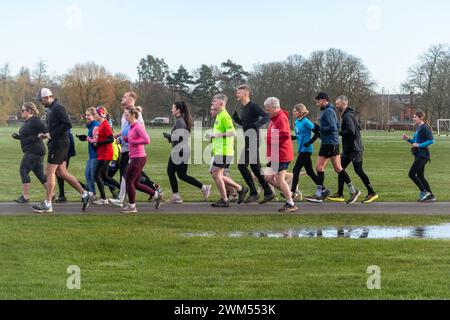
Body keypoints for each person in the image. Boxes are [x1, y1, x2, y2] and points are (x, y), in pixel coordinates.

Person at [32, 88, 90, 213]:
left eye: (41, 99)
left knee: (49, 172)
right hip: (59, 143)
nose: (40, 102)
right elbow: (56, 126)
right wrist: (45, 134)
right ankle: (84, 194)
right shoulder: (52, 109)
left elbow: (67, 124)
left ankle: (48, 204)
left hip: (59, 144)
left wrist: (51, 134)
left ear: (47, 97)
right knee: (61, 173)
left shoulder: (58, 108)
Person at [305, 92, 360, 204]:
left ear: (325, 100)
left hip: (330, 144)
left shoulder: (329, 111)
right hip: (328, 143)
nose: (317, 104)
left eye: (318, 101)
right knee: (335, 168)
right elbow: (338, 125)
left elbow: (333, 128)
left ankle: (320, 194)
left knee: (323, 168)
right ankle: (352, 191)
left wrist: (320, 129)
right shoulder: (328, 110)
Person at [110, 93, 162, 208]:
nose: (122, 98)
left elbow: (144, 137)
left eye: (124, 97)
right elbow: (126, 133)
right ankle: (155, 193)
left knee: (127, 177)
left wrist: (130, 141)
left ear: (131, 99)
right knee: (136, 181)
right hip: (129, 152)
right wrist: (120, 138)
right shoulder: (129, 119)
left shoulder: (136, 120)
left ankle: (125, 202)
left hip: (135, 154)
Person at [328, 96, 378, 204]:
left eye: (338, 104)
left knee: (358, 171)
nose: (336, 106)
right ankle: (340, 193)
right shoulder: (346, 114)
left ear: (343, 103)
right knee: (340, 168)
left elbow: (352, 132)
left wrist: (338, 132)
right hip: (349, 149)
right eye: (336, 104)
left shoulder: (348, 115)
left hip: (355, 149)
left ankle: (372, 193)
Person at [232, 85, 274, 203]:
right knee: (255, 167)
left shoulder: (253, 106)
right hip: (248, 139)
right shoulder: (243, 108)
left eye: (238, 92)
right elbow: (246, 124)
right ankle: (268, 192)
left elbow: (266, 116)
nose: (236, 94)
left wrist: (256, 125)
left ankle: (254, 193)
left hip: (254, 139)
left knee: (242, 165)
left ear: (245, 94)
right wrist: (237, 120)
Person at [164, 102, 211, 203]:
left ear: (178, 110)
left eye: (173, 108)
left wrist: (170, 136)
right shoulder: (179, 120)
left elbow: (182, 136)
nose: (171, 110)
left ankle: (204, 188)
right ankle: (176, 196)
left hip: (180, 151)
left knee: (181, 175)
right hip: (179, 150)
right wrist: (171, 138)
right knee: (172, 172)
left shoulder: (180, 121)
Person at [208, 94, 249, 207]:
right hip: (219, 151)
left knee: (216, 174)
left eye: (214, 102)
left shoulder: (225, 116)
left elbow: (233, 133)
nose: (213, 104)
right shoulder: (219, 116)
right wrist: (213, 137)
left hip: (224, 151)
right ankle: (240, 189)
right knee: (217, 174)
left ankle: (226, 199)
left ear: (221, 103)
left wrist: (217, 135)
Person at [263, 97, 297, 213]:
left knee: (279, 178)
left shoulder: (281, 118)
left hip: (282, 154)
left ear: (275, 107)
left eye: (268, 109)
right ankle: (289, 193)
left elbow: (285, 136)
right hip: (274, 154)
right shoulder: (274, 119)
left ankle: (290, 203)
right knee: (267, 177)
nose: (267, 112)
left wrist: (268, 138)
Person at [120, 107, 156, 213]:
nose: (125, 117)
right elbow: (132, 139)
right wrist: (127, 139)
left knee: (129, 181)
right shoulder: (132, 126)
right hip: (135, 157)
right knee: (135, 183)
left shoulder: (138, 126)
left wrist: (133, 140)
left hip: (138, 158)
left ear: (132, 115)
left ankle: (132, 207)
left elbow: (147, 140)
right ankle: (156, 194)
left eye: (126, 115)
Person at [12, 102, 48, 203]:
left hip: (34, 151)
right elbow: (30, 135)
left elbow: (46, 132)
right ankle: (52, 195)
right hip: (35, 151)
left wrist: (37, 137)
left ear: (29, 111)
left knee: (23, 171)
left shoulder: (35, 121)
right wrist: (20, 137)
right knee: (40, 174)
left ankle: (25, 197)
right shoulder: (28, 121)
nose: (21, 112)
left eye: (23, 110)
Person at [88, 106, 121, 205]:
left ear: (100, 115)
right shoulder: (102, 125)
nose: (95, 116)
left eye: (96, 114)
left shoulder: (105, 125)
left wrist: (98, 143)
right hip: (103, 153)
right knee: (105, 177)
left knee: (96, 176)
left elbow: (111, 139)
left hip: (105, 154)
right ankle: (123, 189)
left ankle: (103, 198)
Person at [402, 111, 436, 202]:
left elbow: (432, 141)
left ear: (421, 118)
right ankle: (431, 195)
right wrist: (408, 139)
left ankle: (424, 192)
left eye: (415, 117)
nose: (413, 118)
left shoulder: (425, 127)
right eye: (414, 117)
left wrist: (420, 145)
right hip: (418, 154)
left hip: (423, 155)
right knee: (420, 175)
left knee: (411, 174)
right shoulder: (419, 128)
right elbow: (416, 142)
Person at [290, 103, 320, 201]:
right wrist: (293, 137)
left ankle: (292, 192)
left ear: (301, 111)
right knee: (310, 172)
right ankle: (323, 188)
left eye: (295, 111)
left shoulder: (307, 122)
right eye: (293, 111)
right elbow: (299, 135)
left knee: (296, 170)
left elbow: (317, 133)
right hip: (301, 149)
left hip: (306, 150)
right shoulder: (297, 122)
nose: (293, 112)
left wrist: (309, 142)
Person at [76, 107, 100, 200]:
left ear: (94, 116)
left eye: (89, 115)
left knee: (96, 177)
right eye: (86, 115)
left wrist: (87, 138)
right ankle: (92, 194)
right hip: (92, 155)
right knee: (88, 175)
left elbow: (96, 142)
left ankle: (114, 187)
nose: (87, 117)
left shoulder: (96, 126)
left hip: (96, 155)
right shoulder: (91, 126)